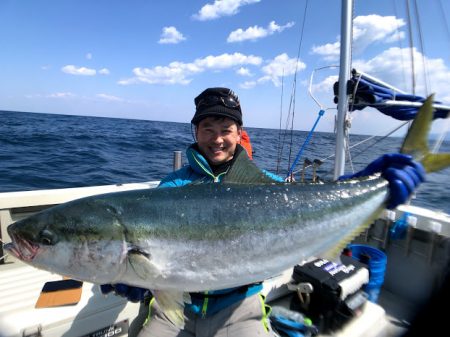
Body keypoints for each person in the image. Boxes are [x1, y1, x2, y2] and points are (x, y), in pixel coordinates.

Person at [101, 87, 426, 337]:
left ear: (239, 134)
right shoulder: (172, 186)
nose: (217, 139)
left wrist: (361, 185)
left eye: (225, 128)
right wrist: (134, 278)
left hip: (239, 307)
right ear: (195, 133)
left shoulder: (267, 187)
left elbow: (309, 202)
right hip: (171, 312)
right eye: (207, 128)